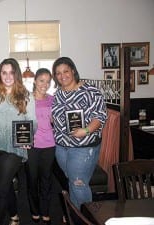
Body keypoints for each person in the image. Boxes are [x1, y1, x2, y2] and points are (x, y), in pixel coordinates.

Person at [0, 58, 36, 225]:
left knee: (0, 190)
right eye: (4, 72)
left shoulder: (26, 95)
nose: (7, 76)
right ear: (0, 74)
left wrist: (29, 138)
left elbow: (33, 122)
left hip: (13, 149)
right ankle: (14, 215)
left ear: (17, 74)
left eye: (11, 73)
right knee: (4, 186)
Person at [51, 57, 107, 209]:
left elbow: (100, 117)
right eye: (58, 73)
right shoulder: (57, 95)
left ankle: (88, 218)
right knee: (73, 181)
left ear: (73, 71)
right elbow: (54, 118)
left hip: (83, 147)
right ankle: (76, 216)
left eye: (65, 71)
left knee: (78, 183)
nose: (62, 76)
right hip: (61, 147)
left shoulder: (91, 91)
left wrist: (86, 130)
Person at [25, 68, 55, 225]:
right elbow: (20, 123)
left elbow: (54, 121)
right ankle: (34, 211)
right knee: (32, 180)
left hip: (49, 144)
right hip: (32, 146)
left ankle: (45, 211)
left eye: (48, 81)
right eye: (42, 80)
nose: (45, 84)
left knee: (46, 180)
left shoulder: (52, 99)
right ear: (35, 81)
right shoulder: (26, 99)